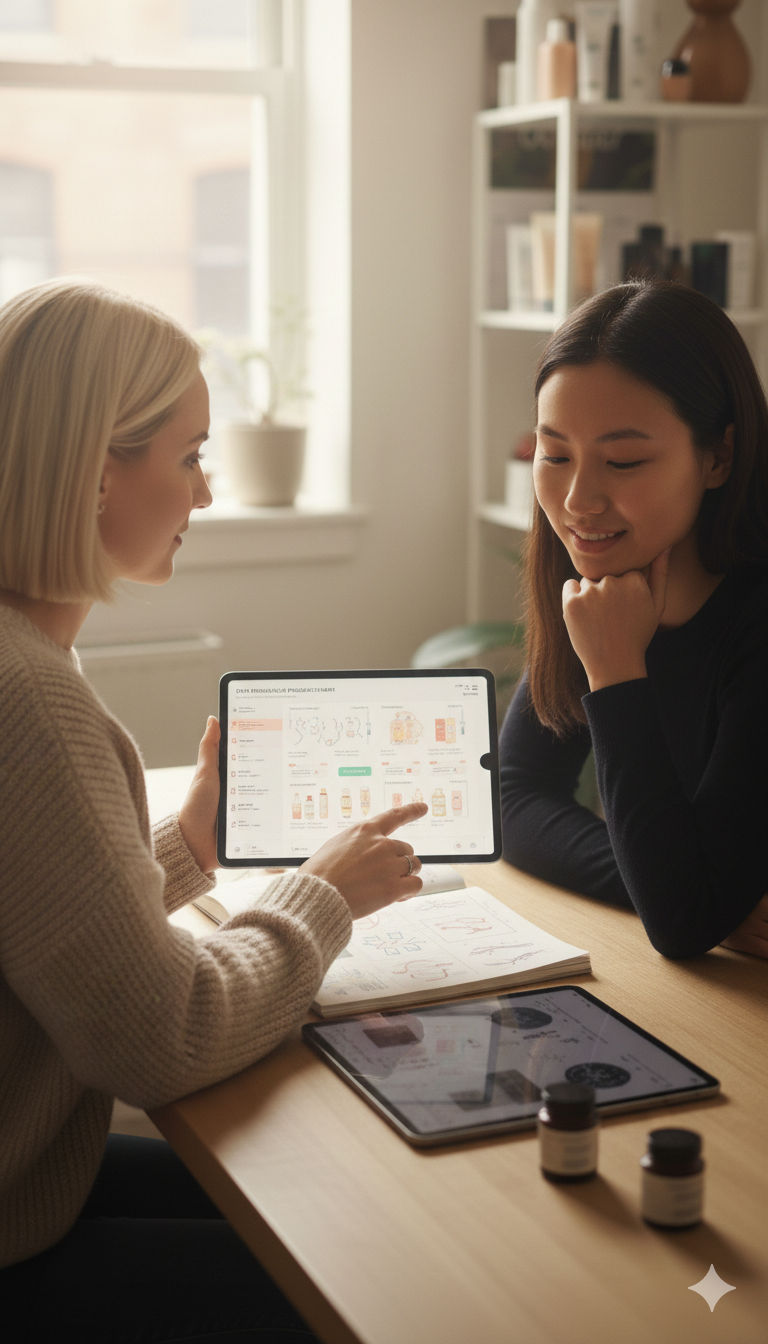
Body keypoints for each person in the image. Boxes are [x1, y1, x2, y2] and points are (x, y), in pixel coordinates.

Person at [0, 277, 428, 1343]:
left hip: (26, 1187)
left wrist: (187, 845)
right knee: (368, 1282)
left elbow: (44, 924)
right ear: (100, 471)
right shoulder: (32, 697)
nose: (204, 491)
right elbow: (159, 1035)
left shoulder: (21, 662)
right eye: (190, 455)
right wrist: (319, 896)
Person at [499, 280, 768, 961]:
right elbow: (515, 795)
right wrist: (682, 888)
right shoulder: (604, 590)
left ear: (719, 457)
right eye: (554, 455)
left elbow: (682, 922)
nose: (579, 500)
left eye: (623, 461)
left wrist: (617, 672)